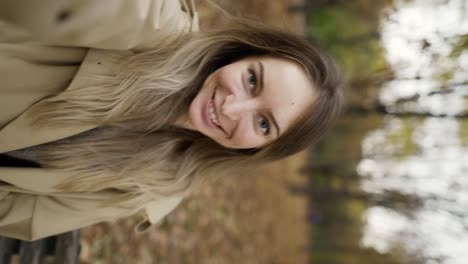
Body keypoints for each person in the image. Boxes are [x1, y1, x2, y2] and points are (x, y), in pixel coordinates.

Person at [0, 0, 343, 240]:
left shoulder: (153, 187)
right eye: (252, 80)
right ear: (243, 53)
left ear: (262, 149)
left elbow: (18, 214)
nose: (232, 108)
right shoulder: (158, 29)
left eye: (264, 124)